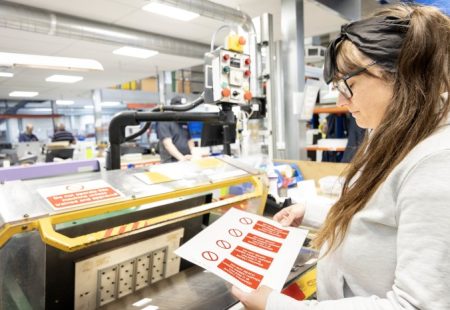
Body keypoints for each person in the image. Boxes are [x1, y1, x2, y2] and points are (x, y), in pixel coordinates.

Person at [232, 4, 450, 310]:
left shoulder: (437, 164)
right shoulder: (395, 134)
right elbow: (378, 215)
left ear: (401, 76)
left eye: (349, 83)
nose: (341, 98)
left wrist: (278, 306)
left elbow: (416, 305)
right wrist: (309, 211)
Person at [156, 96, 195, 163]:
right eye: (181, 108)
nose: (183, 111)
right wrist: (182, 158)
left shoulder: (183, 122)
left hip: (185, 161)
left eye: (184, 108)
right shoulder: (164, 121)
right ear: (173, 108)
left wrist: (194, 154)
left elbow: (190, 140)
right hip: (171, 162)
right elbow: (168, 144)